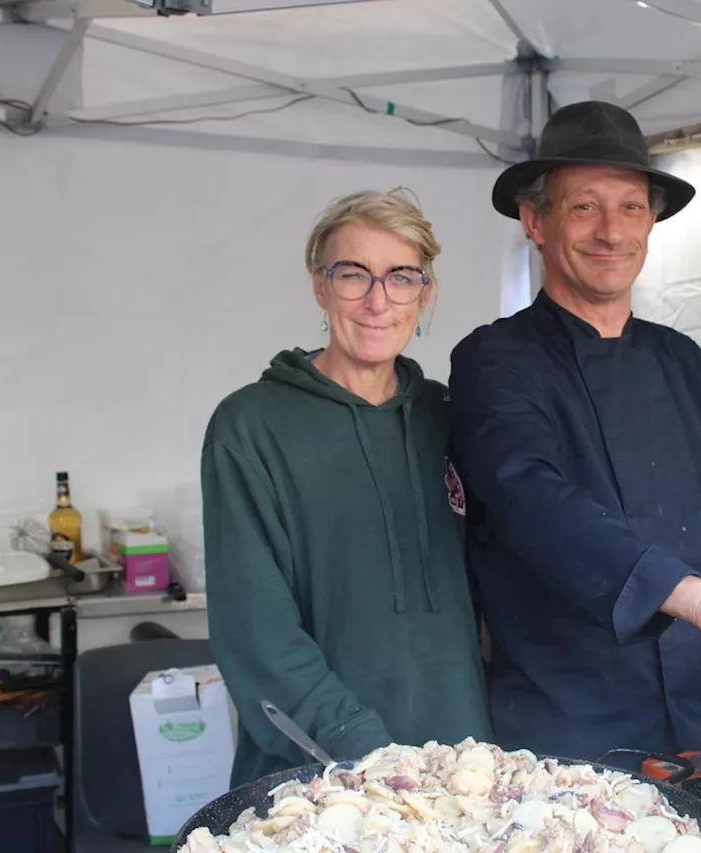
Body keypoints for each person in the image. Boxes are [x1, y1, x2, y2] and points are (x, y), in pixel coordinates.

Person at [447, 101, 701, 762]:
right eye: (584, 206)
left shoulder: (682, 362)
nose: (611, 231)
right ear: (535, 220)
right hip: (568, 735)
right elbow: (538, 506)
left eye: (632, 207)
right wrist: (700, 598)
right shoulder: (495, 362)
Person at [202, 188, 492, 787]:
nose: (378, 301)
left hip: (463, 771)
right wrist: (364, 751)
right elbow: (256, 630)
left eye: (401, 277)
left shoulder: (452, 416)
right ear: (320, 286)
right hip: (321, 777)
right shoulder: (250, 426)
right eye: (353, 275)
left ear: (425, 293)